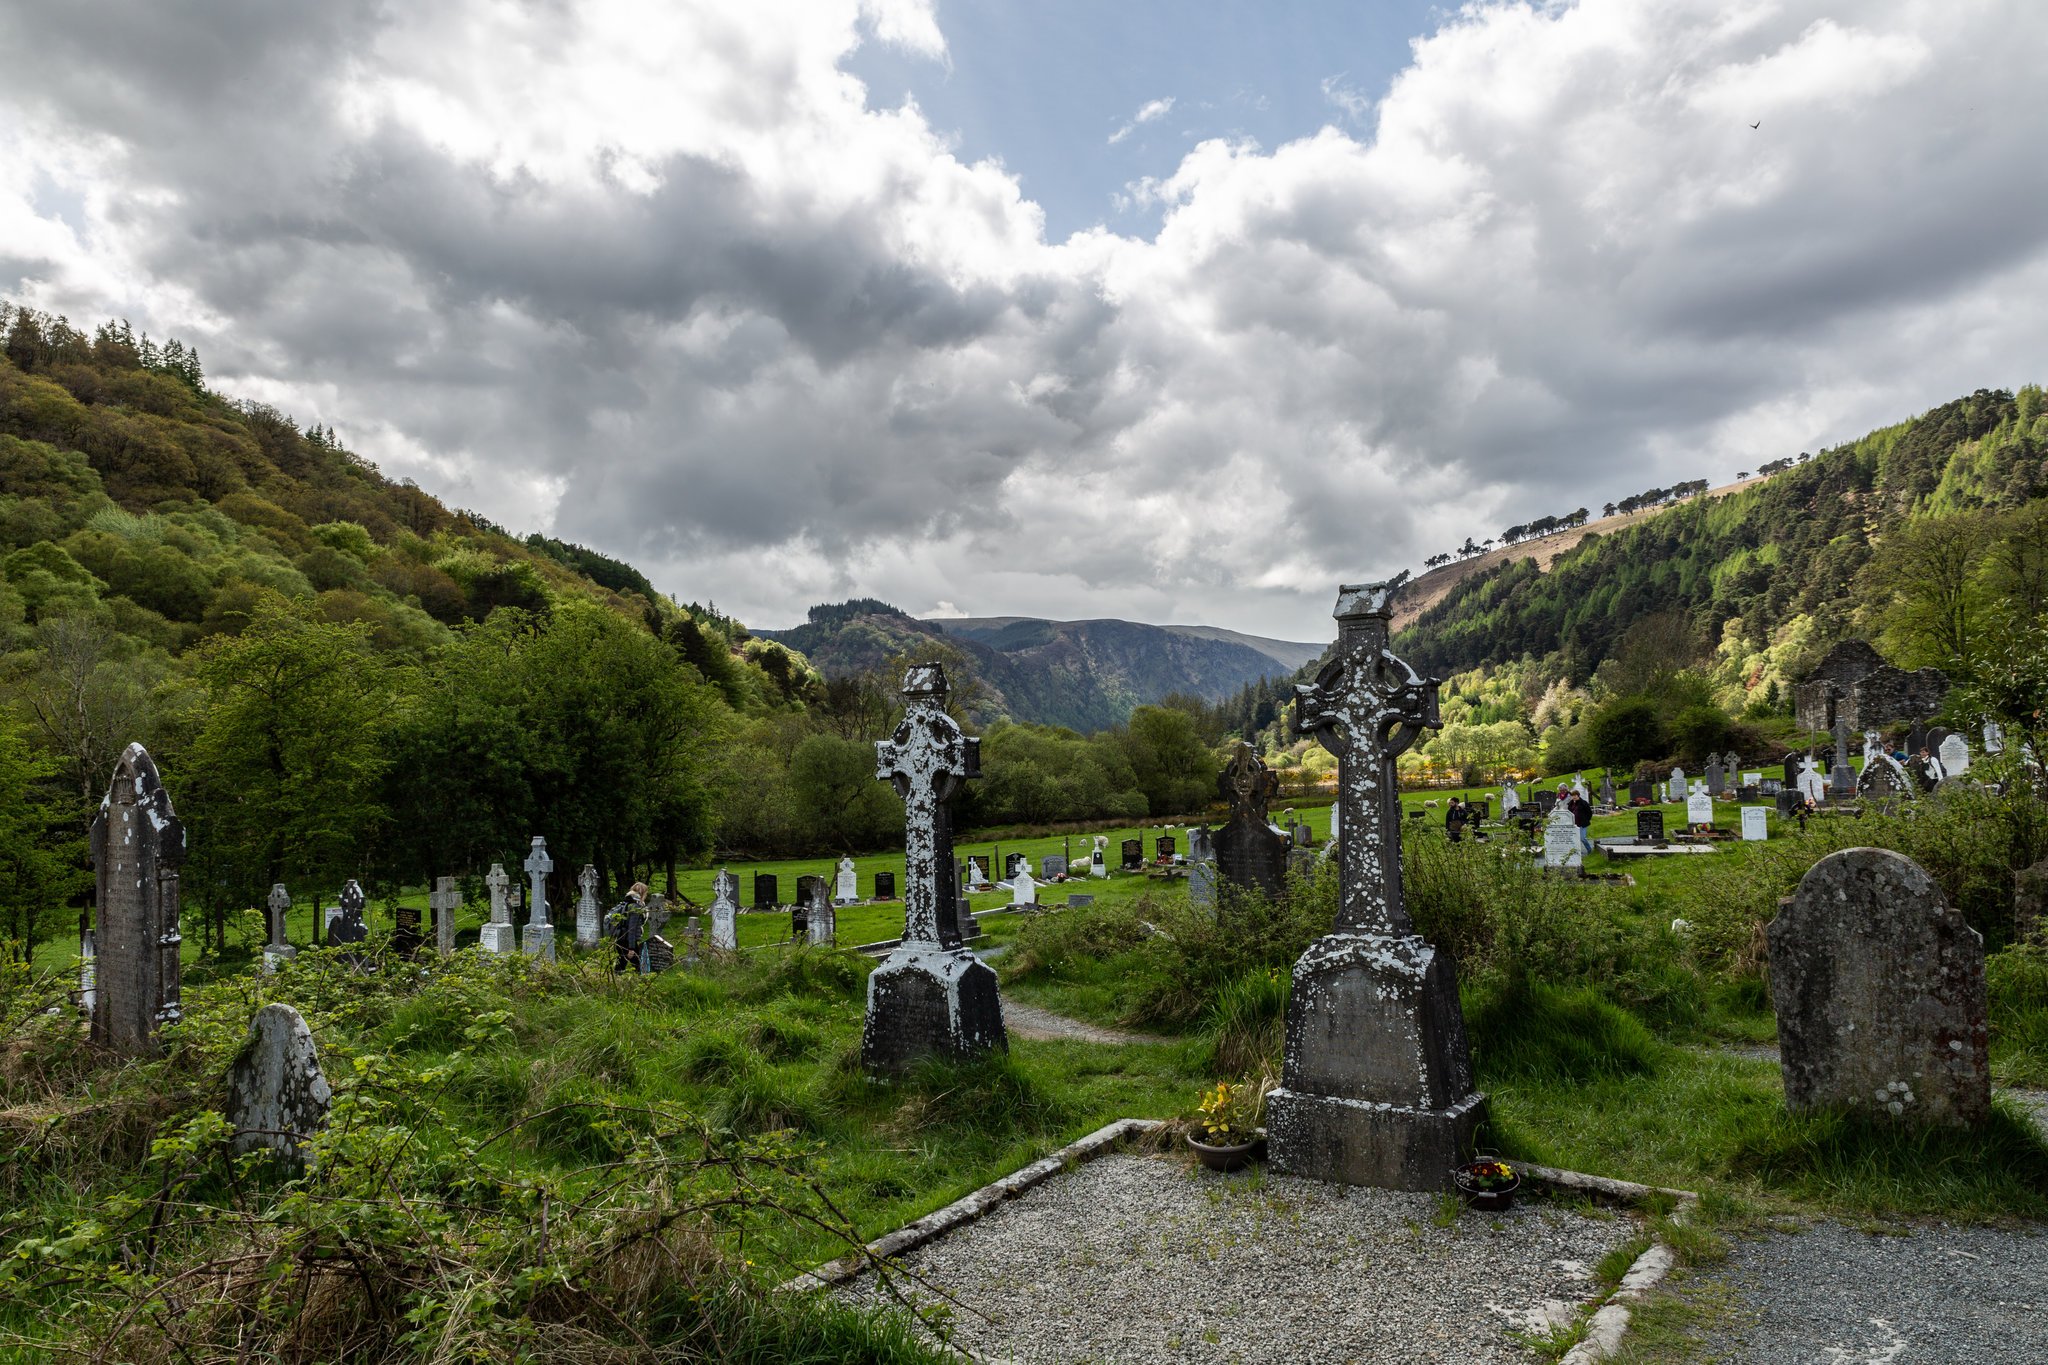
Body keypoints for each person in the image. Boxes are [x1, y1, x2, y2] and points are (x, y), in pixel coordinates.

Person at [607, 882, 648, 974]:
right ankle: (644, 982)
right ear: (642, 893)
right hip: (627, 940)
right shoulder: (636, 907)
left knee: (621, 962)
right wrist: (631, 948)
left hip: (620, 937)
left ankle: (616, 981)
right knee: (639, 965)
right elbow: (631, 929)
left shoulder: (626, 903)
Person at [1568, 790, 1594, 854]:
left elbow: (1589, 812)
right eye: (1572, 796)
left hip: (1582, 823)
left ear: (1578, 795)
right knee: (1574, 838)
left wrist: (1586, 819)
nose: (1574, 797)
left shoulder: (1583, 803)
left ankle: (1589, 850)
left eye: (1575, 795)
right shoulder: (1570, 803)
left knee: (1582, 838)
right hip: (1574, 824)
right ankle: (1577, 851)